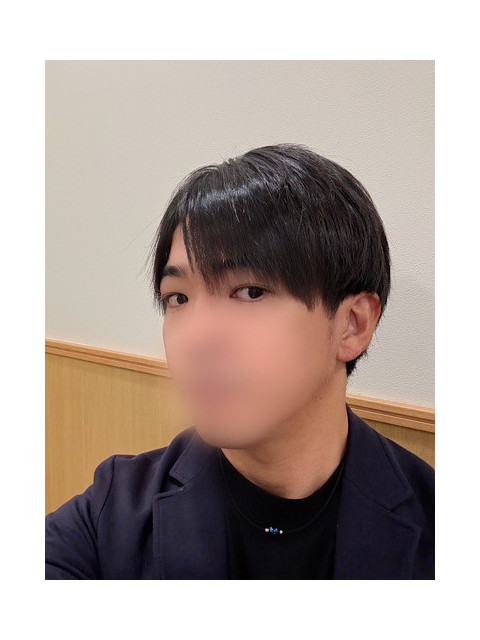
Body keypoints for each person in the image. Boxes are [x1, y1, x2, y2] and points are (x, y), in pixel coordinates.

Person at [45, 143, 434, 579]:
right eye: (179, 298)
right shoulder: (112, 513)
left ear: (352, 325)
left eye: (250, 292)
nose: (196, 339)